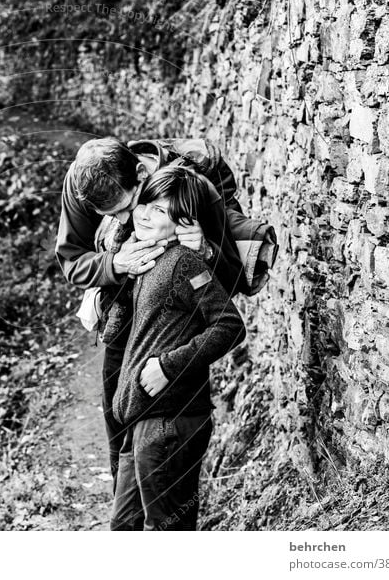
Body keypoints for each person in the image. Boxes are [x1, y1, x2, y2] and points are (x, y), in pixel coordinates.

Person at [55, 136, 266, 494]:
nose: (126, 221)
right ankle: (126, 514)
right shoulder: (79, 184)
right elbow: (72, 260)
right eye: (111, 217)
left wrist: (205, 250)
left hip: (174, 331)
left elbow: (231, 282)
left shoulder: (192, 187)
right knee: (118, 418)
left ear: (141, 172)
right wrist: (113, 262)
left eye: (128, 206)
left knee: (163, 447)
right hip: (120, 319)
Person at [108, 165, 247, 531]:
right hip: (139, 420)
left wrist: (169, 366)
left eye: (160, 210)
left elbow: (229, 326)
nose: (145, 213)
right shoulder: (148, 260)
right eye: (146, 202)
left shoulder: (184, 263)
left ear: (184, 222)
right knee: (124, 529)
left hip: (169, 423)